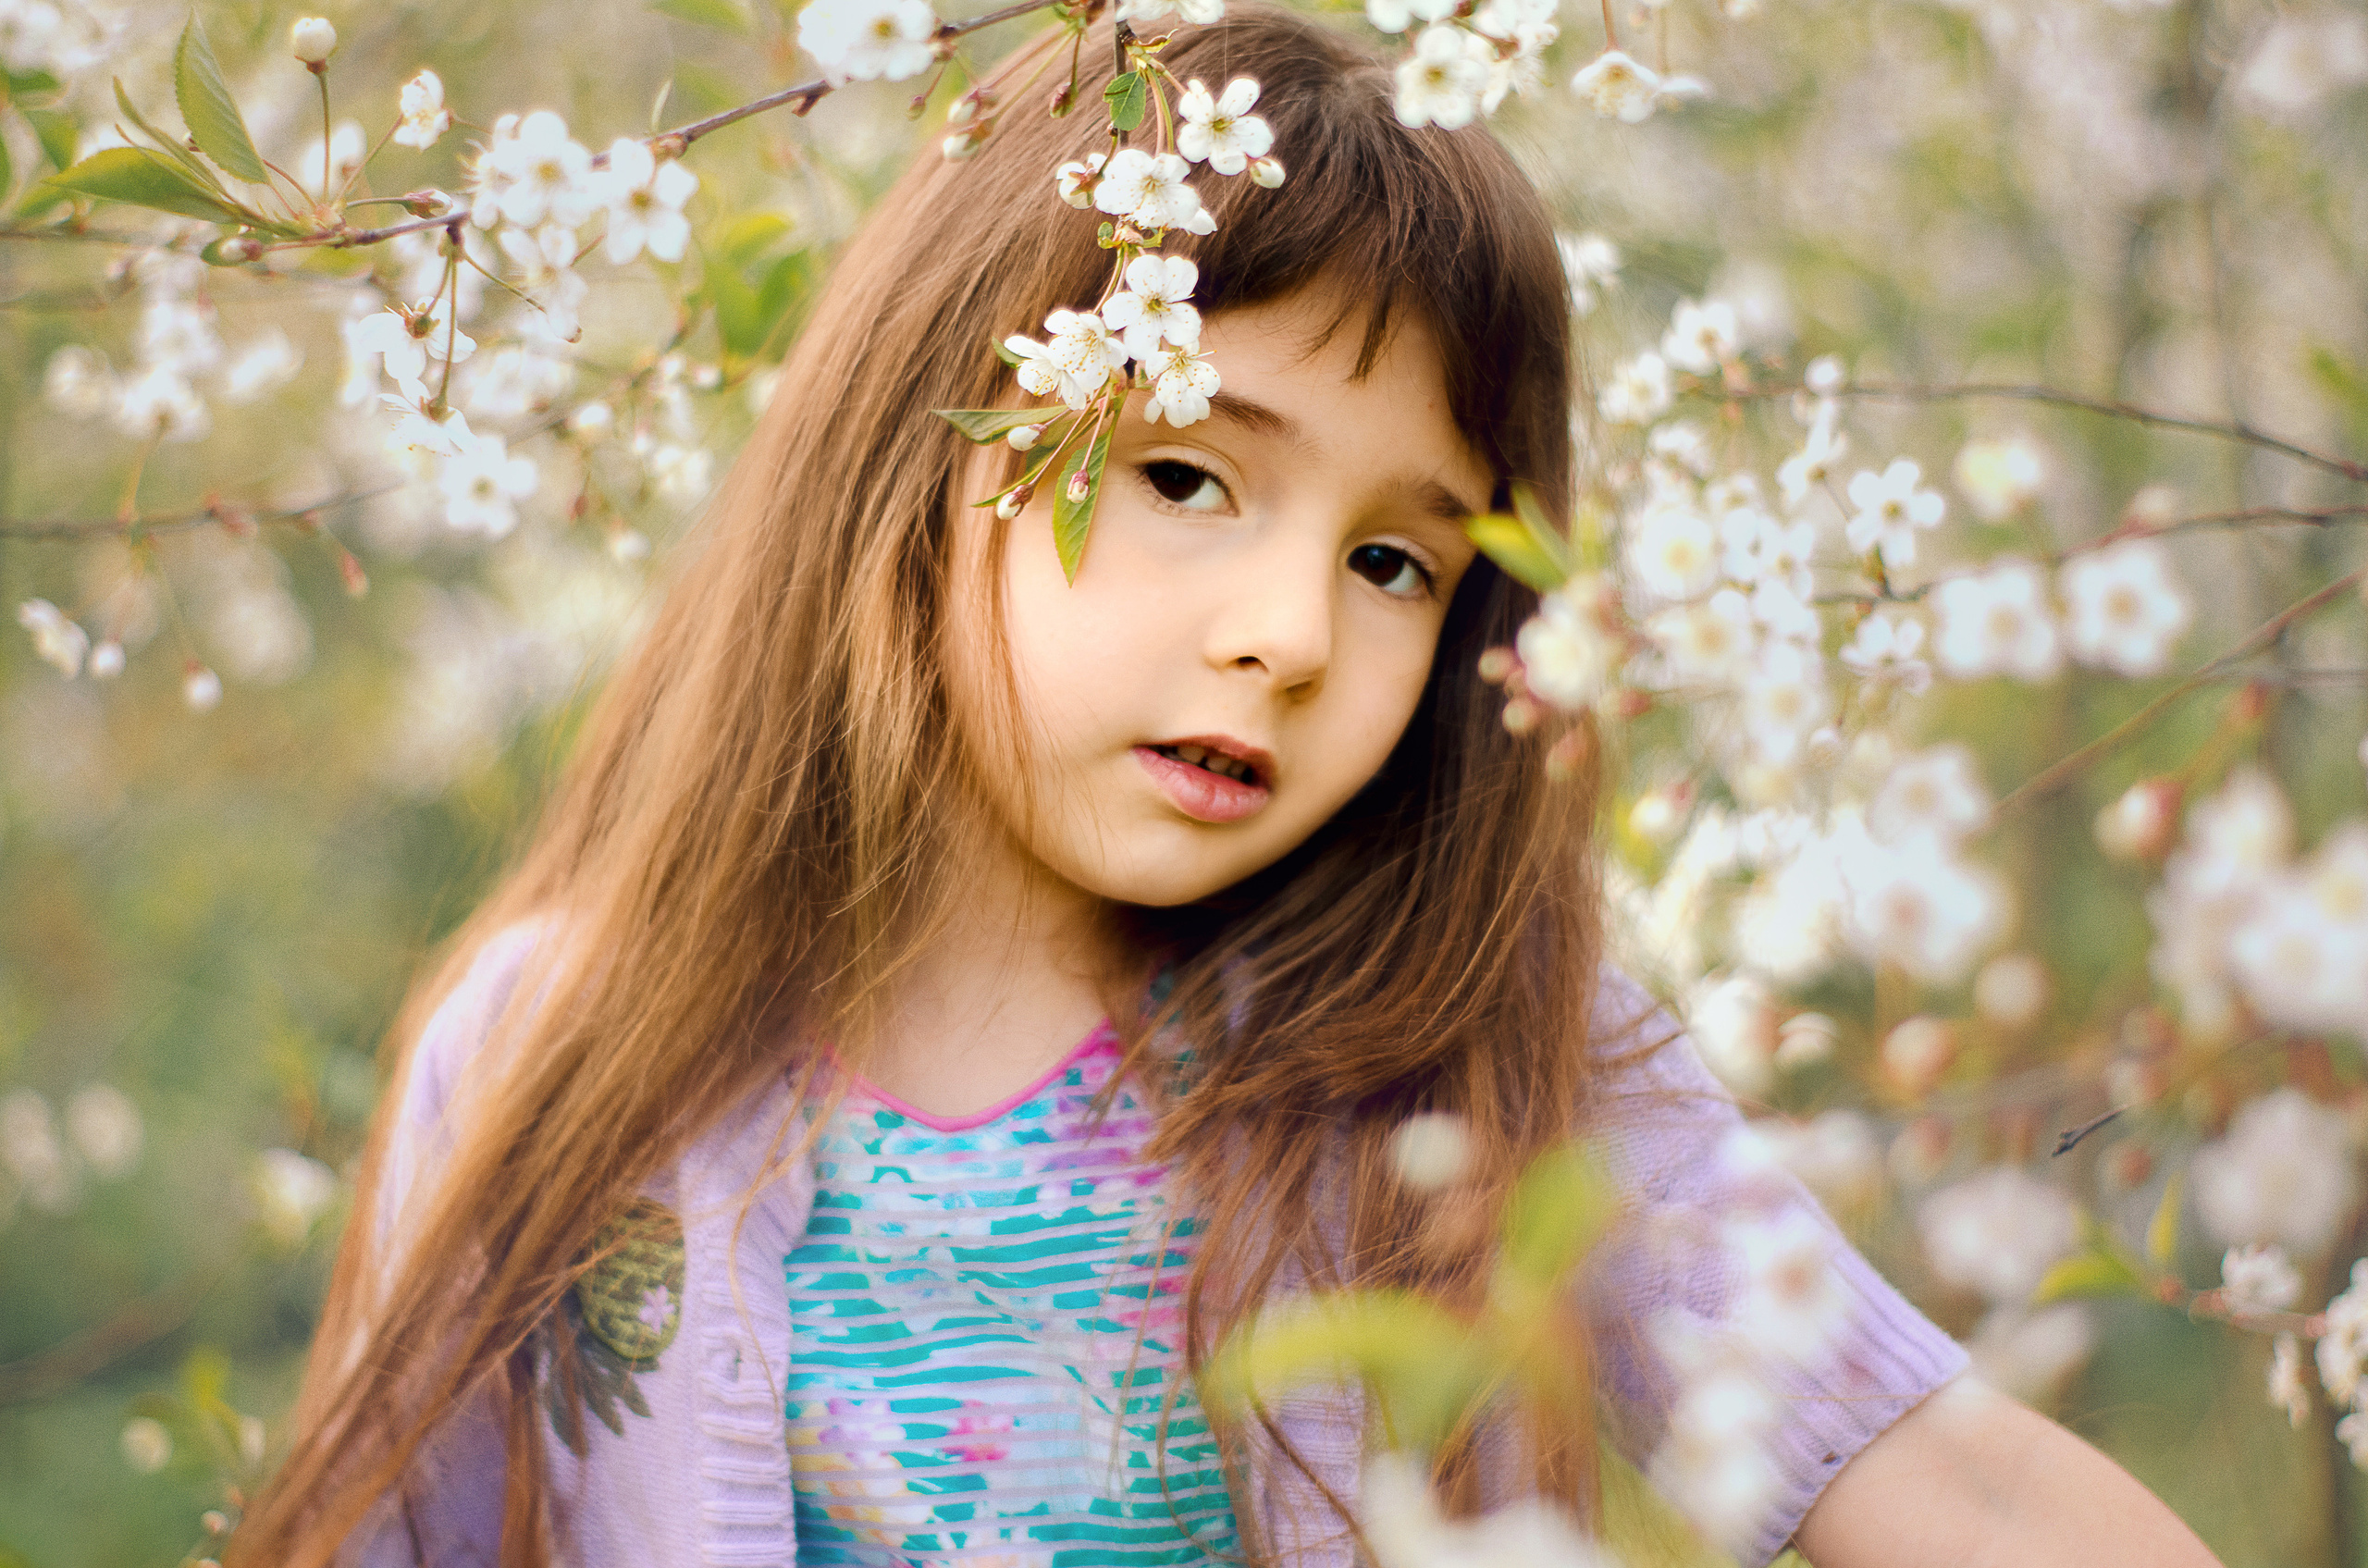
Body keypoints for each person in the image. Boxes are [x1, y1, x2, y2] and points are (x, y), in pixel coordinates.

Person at [230, 8, 2226, 1567]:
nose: (1290, 631)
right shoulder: (558, 1044)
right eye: (1185, 474)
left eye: (1394, 562)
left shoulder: (1458, 1055)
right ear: (922, 453)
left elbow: (1931, 1481)